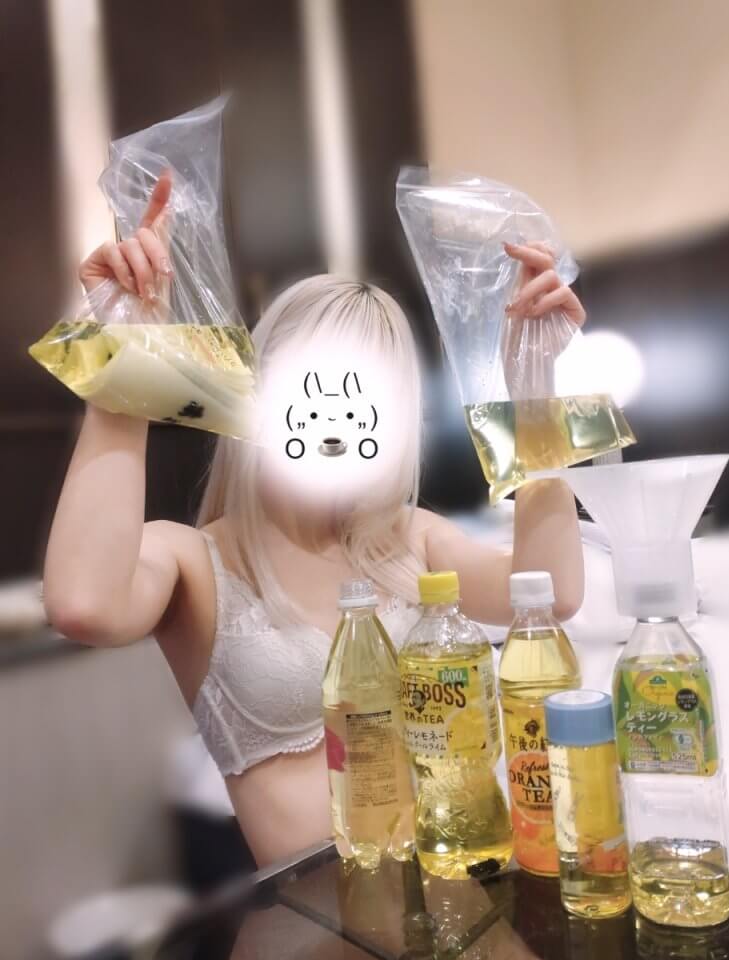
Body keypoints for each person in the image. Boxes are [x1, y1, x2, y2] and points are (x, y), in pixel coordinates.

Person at [43, 176, 585, 868]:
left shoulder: (409, 539)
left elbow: (550, 594)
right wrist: (124, 368)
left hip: (466, 882)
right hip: (322, 921)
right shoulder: (195, 561)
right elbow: (83, 605)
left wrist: (535, 394)